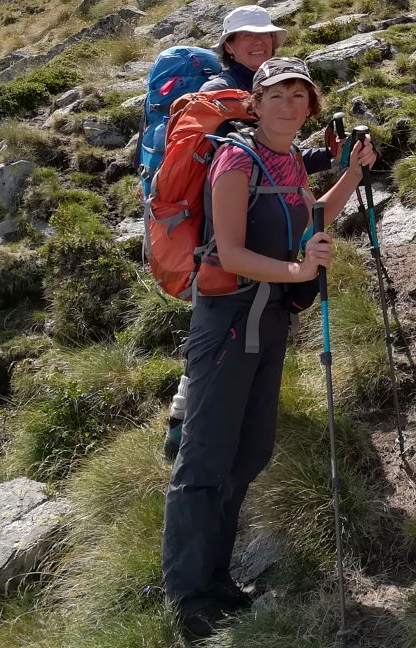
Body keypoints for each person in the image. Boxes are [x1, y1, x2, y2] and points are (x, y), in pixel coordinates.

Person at [161, 57, 375, 641]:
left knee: (248, 453)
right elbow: (228, 252)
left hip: (268, 318)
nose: (289, 104)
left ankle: (219, 578)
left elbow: (311, 215)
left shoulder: (285, 160)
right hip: (228, 320)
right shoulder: (235, 158)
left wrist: (352, 174)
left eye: (299, 95)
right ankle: (187, 596)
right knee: (205, 460)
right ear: (254, 103)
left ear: (309, 105)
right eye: (277, 93)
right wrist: (298, 268)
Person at [164, 5, 344, 460]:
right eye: (247, 36)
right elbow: (248, 168)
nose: (258, 42)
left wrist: (331, 161)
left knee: (252, 333)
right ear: (228, 45)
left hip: (265, 241)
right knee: (223, 320)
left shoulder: (263, 87)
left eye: (265, 36)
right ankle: (187, 422)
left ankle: (219, 428)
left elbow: (283, 164)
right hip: (229, 234)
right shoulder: (220, 94)